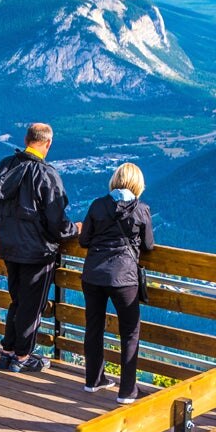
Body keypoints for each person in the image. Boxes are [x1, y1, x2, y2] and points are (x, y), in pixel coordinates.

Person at [0, 122, 79, 373]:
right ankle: (23, 357)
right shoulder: (46, 175)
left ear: (26, 139)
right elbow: (57, 222)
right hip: (38, 252)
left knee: (17, 300)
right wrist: (75, 230)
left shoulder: (4, 166)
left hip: (8, 247)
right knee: (32, 306)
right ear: (47, 143)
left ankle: (8, 352)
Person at [78, 162, 155, 404]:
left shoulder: (97, 205)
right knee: (130, 332)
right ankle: (127, 391)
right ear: (138, 184)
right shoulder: (141, 209)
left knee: (94, 326)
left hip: (93, 275)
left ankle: (93, 380)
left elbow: (84, 240)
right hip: (124, 278)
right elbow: (149, 245)